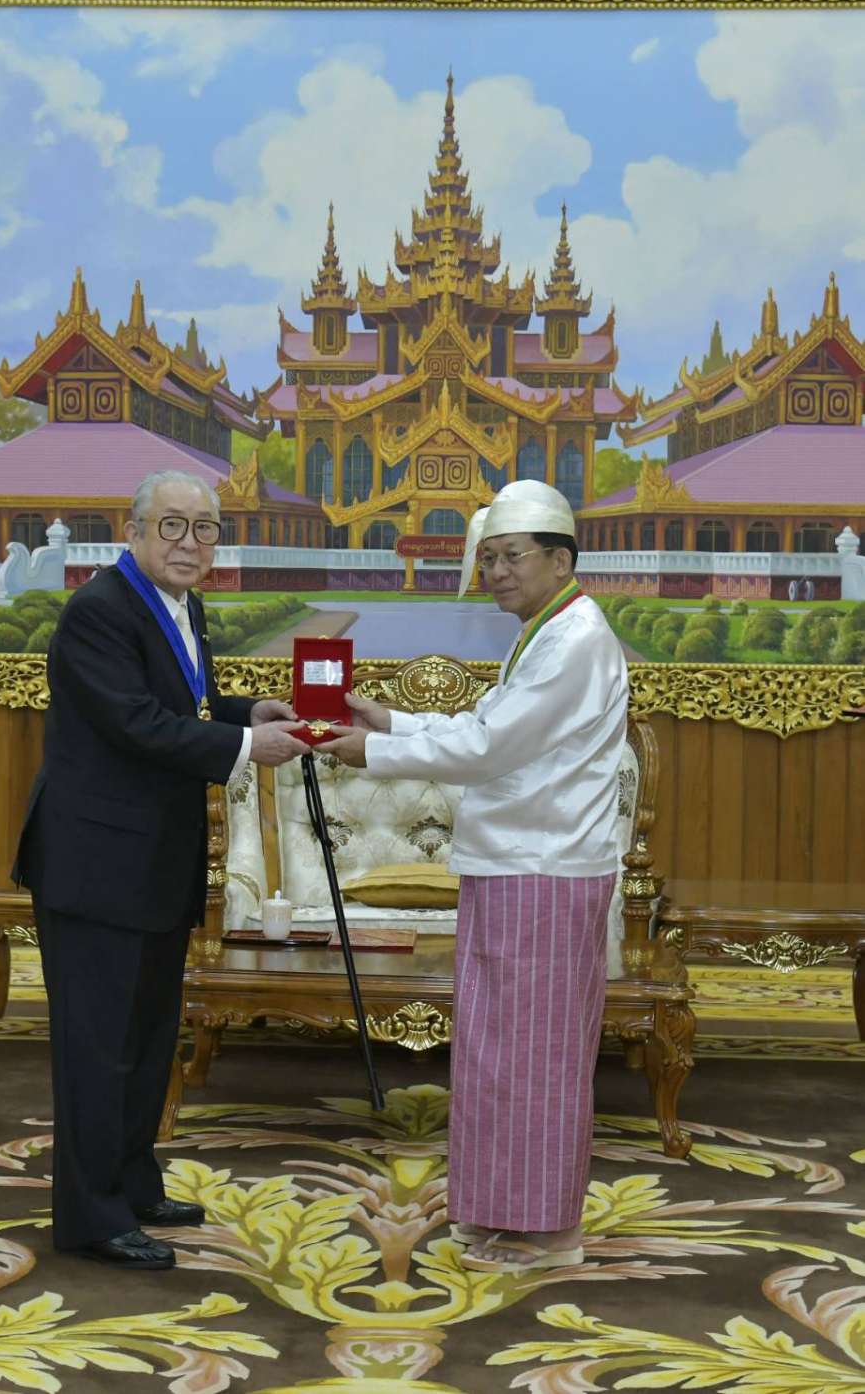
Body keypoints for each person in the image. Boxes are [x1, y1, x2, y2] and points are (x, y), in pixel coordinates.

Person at [325, 479, 627, 1274]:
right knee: (500, 1051)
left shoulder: (574, 639)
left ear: (561, 560)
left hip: (544, 868)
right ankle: (504, 1215)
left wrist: (374, 753)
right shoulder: (545, 632)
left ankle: (549, 1233)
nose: (495, 572)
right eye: (487, 557)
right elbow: (487, 725)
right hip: (515, 864)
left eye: (511, 556)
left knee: (537, 1057)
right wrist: (392, 721)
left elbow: (491, 749)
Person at [13, 469, 307, 1269]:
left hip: (152, 864)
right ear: (134, 531)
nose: (189, 542)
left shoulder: (181, 605)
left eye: (205, 528)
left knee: (145, 1042)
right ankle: (91, 1217)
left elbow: (185, 705)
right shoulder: (98, 611)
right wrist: (246, 747)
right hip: (96, 867)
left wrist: (248, 713)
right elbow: (135, 722)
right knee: (97, 1047)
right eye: (172, 525)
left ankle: (133, 1187)